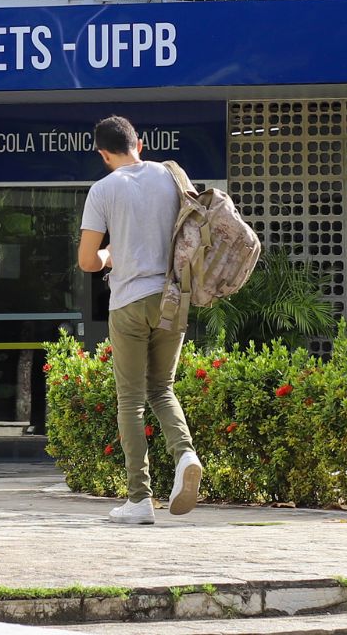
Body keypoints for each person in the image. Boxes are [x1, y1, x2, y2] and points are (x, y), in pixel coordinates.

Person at [76, 115, 202, 525]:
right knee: (162, 389)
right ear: (140, 144)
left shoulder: (103, 190)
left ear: (103, 154)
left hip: (129, 302)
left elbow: (87, 261)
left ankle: (139, 499)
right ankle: (185, 454)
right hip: (172, 298)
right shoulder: (171, 176)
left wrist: (109, 255)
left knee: (130, 401)